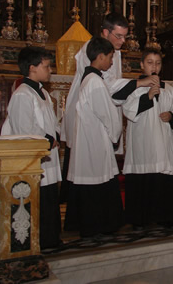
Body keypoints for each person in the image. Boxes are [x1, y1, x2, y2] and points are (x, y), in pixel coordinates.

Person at [60, 13, 158, 201]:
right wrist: (139, 83)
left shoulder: (115, 52)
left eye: (125, 37)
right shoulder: (91, 49)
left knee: (98, 165)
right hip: (89, 114)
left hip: (100, 112)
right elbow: (106, 84)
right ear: (106, 32)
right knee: (85, 164)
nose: (122, 41)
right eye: (118, 36)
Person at [1, 46, 62, 249]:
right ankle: (37, 242)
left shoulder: (42, 91)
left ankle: (50, 239)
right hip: (34, 158)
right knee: (37, 201)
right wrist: (47, 138)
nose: (50, 70)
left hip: (46, 156)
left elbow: (50, 121)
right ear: (32, 68)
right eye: (46, 66)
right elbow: (23, 129)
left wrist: (56, 134)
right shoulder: (22, 95)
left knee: (49, 199)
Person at [64, 36, 124, 238]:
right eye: (109, 57)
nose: (112, 62)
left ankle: (92, 225)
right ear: (100, 57)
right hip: (96, 141)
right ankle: (99, 225)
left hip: (91, 139)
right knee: (98, 180)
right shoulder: (95, 82)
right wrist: (115, 135)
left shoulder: (88, 79)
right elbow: (107, 114)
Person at [122, 49, 173, 230]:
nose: (154, 67)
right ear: (142, 65)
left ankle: (164, 216)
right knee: (143, 179)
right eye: (150, 62)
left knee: (163, 180)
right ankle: (139, 218)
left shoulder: (168, 88)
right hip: (143, 142)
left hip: (163, 143)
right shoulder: (134, 87)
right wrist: (148, 97)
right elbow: (128, 110)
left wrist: (172, 115)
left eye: (157, 63)